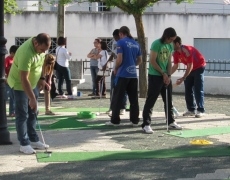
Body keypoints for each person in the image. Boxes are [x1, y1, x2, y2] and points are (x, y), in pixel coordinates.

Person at [7, 33, 51, 154]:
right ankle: (24, 143)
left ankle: (33, 139)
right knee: (22, 114)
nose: (43, 52)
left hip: (33, 84)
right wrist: (31, 98)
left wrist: (42, 78)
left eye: (45, 50)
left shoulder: (41, 50)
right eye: (42, 50)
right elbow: (23, 78)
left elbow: (42, 63)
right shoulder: (26, 53)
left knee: (33, 112)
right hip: (19, 85)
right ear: (36, 43)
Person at [142, 27, 182, 134]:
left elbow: (169, 61)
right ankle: (146, 124)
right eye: (171, 39)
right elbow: (152, 61)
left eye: (174, 39)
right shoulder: (156, 44)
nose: (172, 41)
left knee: (168, 100)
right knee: (151, 100)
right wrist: (162, 73)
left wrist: (168, 75)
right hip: (155, 75)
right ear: (166, 36)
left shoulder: (170, 45)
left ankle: (171, 121)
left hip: (165, 76)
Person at [105, 26, 142, 126]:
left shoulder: (120, 42)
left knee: (117, 97)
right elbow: (140, 60)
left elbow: (119, 59)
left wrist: (116, 68)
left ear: (121, 34)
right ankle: (134, 120)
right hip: (133, 75)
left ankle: (115, 120)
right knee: (133, 98)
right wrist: (132, 65)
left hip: (122, 74)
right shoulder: (136, 43)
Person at [172, 36, 206, 118]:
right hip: (190, 69)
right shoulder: (175, 53)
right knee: (188, 88)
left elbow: (190, 66)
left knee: (198, 88)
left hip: (199, 66)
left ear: (177, 44)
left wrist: (183, 78)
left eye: (171, 43)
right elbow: (175, 66)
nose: (170, 45)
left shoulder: (187, 50)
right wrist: (167, 75)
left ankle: (201, 110)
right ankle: (191, 109)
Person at [106, 29, 127, 115]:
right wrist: (107, 62)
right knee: (113, 89)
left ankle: (123, 107)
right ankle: (112, 107)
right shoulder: (116, 43)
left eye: (116, 37)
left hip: (123, 70)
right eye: (114, 38)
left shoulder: (125, 43)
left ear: (120, 35)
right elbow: (113, 54)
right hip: (115, 69)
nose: (115, 39)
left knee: (123, 90)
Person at [5, 45, 18, 117]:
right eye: (15, 54)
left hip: (14, 81)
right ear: (12, 53)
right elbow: (4, 69)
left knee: (13, 97)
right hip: (7, 81)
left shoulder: (16, 60)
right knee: (6, 96)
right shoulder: (7, 59)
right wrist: (6, 78)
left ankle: (12, 111)